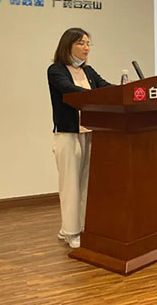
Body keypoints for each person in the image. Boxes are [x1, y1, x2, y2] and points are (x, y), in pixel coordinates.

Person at [47, 28, 112, 249]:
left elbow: (106, 88)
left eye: (88, 43)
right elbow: (70, 91)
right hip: (68, 134)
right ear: (68, 46)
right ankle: (71, 232)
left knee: (86, 184)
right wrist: (98, 96)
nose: (86, 48)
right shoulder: (56, 70)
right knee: (70, 185)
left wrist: (127, 89)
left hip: (90, 132)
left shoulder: (89, 71)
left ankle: (81, 226)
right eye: (81, 43)